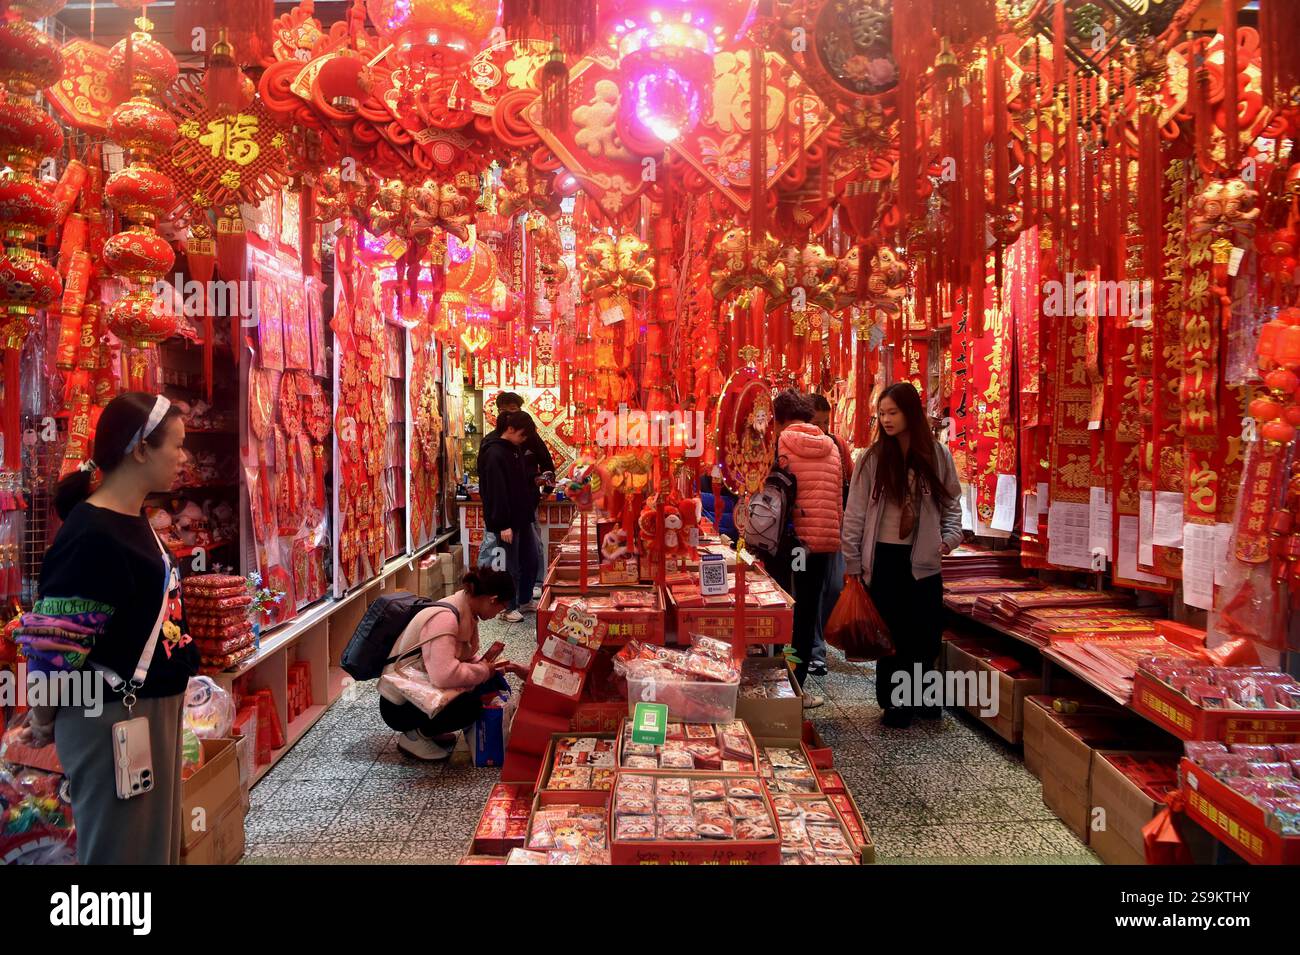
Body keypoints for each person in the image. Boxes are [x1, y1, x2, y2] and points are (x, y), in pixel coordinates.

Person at [16, 392, 198, 864]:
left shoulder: (133, 519)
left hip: (144, 714)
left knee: (147, 849)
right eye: (175, 446)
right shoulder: (91, 534)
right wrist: (40, 722)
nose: (183, 458)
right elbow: (53, 649)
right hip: (111, 721)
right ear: (140, 449)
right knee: (119, 854)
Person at [841, 381, 963, 729]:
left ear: (911, 411)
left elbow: (952, 502)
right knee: (892, 635)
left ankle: (924, 699)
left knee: (924, 635)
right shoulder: (873, 459)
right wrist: (852, 565)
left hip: (925, 561)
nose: (886, 419)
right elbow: (855, 515)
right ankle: (896, 704)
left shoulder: (938, 456)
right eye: (882, 414)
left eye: (892, 412)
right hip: (883, 560)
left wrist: (950, 539)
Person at [379, 568, 529, 760]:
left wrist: (490, 668)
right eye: (501, 608)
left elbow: (457, 659)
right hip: (398, 704)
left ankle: (429, 729)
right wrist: (483, 670)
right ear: (492, 599)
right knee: (470, 705)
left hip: (416, 689)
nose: (498, 613)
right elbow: (444, 675)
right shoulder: (445, 618)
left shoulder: (464, 610)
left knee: (484, 683)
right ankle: (414, 736)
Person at [774, 390, 842, 710]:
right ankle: (796, 687)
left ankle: (775, 686)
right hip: (822, 545)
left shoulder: (781, 443)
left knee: (779, 609)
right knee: (805, 614)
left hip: (790, 543)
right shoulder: (832, 446)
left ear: (780, 419)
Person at [477, 410, 540, 621]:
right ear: (510, 429)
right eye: (522, 435)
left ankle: (524, 599)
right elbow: (496, 491)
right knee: (508, 566)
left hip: (522, 517)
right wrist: (503, 524)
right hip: (506, 522)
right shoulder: (494, 453)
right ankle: (508, 607)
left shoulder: (514, 449)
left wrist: (536, 481)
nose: (523, 440)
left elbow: (518, 483)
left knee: (531, 558)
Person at [809, 393, 853, 678]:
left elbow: (850, 482)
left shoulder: (838, 445)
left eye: (826, 422)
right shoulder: (794, 444)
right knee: (811, 592)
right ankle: (815, 651)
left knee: (835, 588)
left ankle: (818, 639)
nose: (822, 428)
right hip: (807, 533)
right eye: (817, 422)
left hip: (835, 530)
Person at [494, 392, 553, 587]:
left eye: (512, 410)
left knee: (532, 545)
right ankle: (506, 592)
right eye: (503, 411)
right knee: (501, 548)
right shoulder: (493, 442)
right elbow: (496, 483)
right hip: (504, 507)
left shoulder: (531, 437)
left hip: (527, 500)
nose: (507, 415)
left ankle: (535, 583)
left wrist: (546, 491)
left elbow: (547, 463)